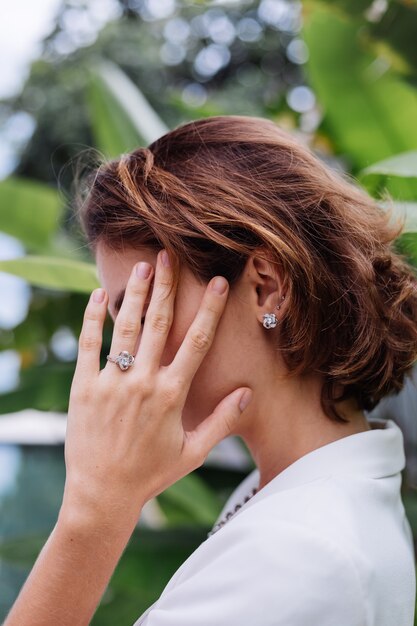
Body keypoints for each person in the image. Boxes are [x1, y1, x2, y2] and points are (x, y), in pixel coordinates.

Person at [4, 115, 417, 625]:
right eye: (123, 316)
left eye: (144, 306)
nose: (129, 351)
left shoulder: (295, 557)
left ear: (267, 287)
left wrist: (92, 513)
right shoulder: (297, 495)